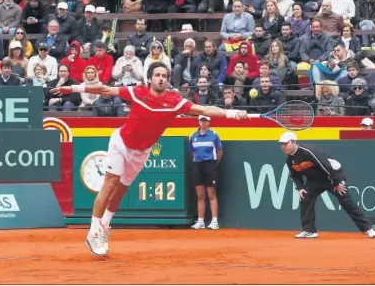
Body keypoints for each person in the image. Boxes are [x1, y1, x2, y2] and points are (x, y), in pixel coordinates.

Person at [50, 62, 248, 257]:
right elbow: (105, 89)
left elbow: (204, 110)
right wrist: (71, 88)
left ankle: (104, 225)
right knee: (110, 183)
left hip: (142, 152)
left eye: (164, 76)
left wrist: (232, 113)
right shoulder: (137, 92)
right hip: (121, 144)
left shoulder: (174, 101)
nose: (161, 79)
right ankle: (93, 231)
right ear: (150, 78)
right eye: (157, 75)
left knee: (121, 190)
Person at [278, 131, 375, 239]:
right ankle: (309, 230)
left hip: (333, 176)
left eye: (285, 143)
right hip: (315, 180)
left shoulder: (308, 152)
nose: (283, 147)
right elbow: (295, 176)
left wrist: (336, 183)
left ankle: (368, 229)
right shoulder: (290, 160)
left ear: (294, 142)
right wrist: (301, 188)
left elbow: (326, 166)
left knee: (346, 200)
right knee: (305, 197)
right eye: (281, 144)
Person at [189, 115, 222, 231]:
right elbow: (192, 152)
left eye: (205, 121)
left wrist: (212, 165)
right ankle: (200, 221)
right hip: (197, 166)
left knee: (211, 195)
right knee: (200, 196)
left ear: (209, 123)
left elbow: (219, 152)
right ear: (198, 122)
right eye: (201, 121)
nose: (203, 123)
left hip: (210, 165)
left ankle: (214, 221)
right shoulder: (193, 136)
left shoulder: (214, 135)